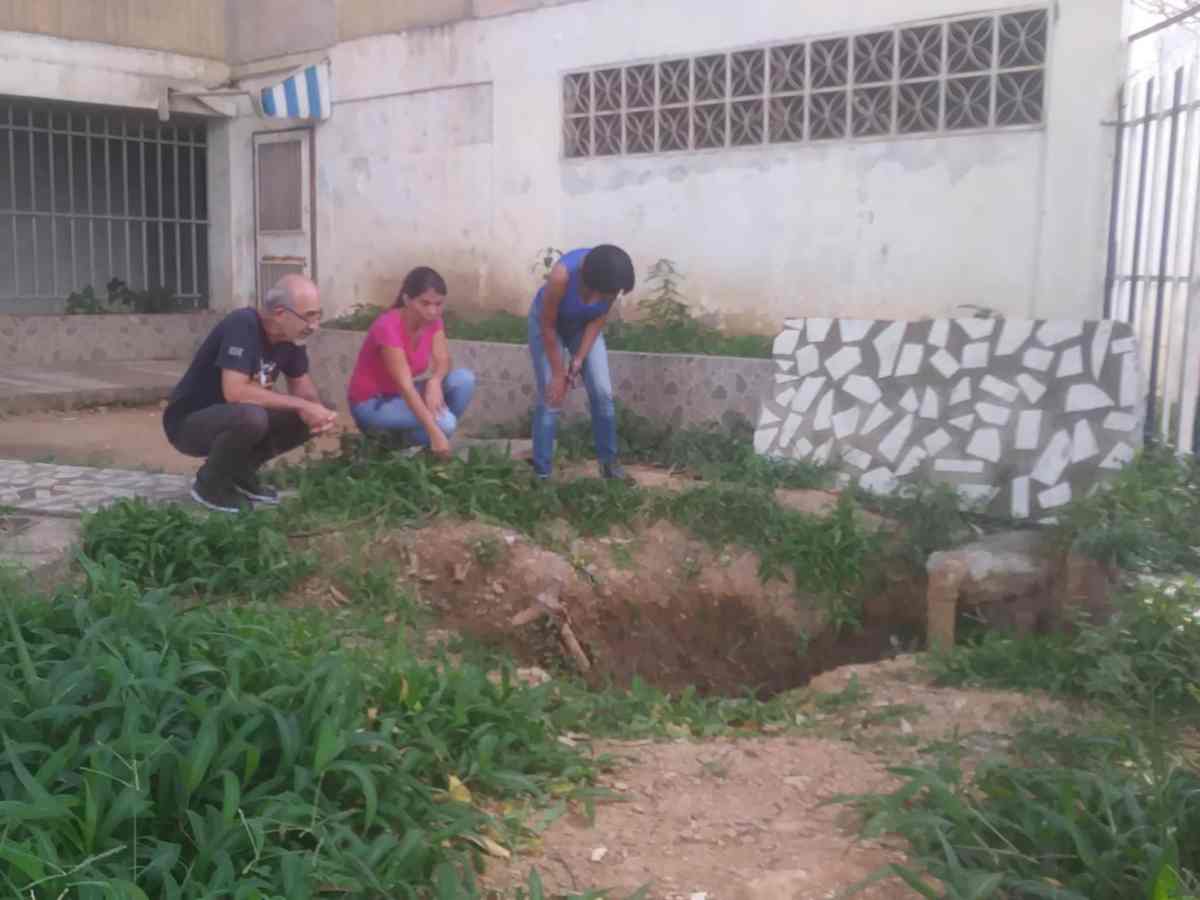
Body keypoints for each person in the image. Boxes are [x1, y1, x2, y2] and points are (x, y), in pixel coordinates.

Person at [163, 274, 337, 513]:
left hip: (236, 418)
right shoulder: (243, 324)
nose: (314, 325)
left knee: (312, 410)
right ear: (279, 313)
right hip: (189, 423)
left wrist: (318, 412)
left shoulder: (290, 339)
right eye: (308, 317)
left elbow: (303, 389)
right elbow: (234, 392)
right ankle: (209, 485)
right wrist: (302, 405)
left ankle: (238, 472)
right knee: (252, 416)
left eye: (318, 315)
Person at [528, 245, 635, 480]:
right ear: (591, 283)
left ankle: (608, 465)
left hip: (583, 328)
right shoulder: (562, 276)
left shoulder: (610, 278)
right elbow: (547, 326)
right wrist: (558, 374)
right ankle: (541, 474)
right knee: (551, 395)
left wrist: (578, 360)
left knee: (602, 392)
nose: (611, 297)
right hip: (547, 325)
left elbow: (597, 320)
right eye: (608, 293)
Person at [347, 266, 475, 456]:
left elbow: (443, 360)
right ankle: (389, 444)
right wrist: (436, 432)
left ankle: (420, 443)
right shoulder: (388, 326)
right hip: (372, 404)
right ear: (407, 299)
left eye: (438, 304)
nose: (432, 311)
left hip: (398, 396)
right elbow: (405, 386)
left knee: (464, 380)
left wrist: (435, 381)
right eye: (425, 303)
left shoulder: (433, 322)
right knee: (445, 423)